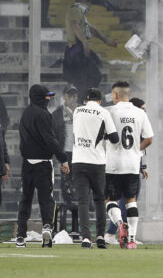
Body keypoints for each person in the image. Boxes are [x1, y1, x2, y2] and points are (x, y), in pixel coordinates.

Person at [16, 85, 69, 248]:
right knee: (46, 198)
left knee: (25, 198)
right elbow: (50, 139)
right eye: (47, 96)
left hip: (27, 163)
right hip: (43, 164)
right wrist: (63, 158)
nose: (49, 99)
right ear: (40, 97)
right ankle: (47, 226)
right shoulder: (44, 114)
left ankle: (20, 235)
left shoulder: (25, 114)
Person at [104, 81, 153, 249]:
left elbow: (104, 136)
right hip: (132, 164)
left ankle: (119, 225)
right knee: (131, 201)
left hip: (113, 164)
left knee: (111, 200)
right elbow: (149, 138)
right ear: (129, 94)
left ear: (115, 95)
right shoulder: (140, 113)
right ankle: (132, 239)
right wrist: (135, 150)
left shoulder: (109, 111)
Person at [71, 87, 119, 249]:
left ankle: (85, 238)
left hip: (78, 161)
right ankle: (100, 236)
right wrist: (104, 134)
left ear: (86, 99)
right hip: (97, 162)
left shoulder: (77, 111)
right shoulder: (103, 112)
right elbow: (114, 138)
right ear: (99, 100)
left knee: (83, 201)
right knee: (99, 200)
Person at [62, 0, 117, 101]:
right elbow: (75, 25)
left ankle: (83, 99)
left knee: (92, 76)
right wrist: (85, 43)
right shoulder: (76, 10)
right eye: (89, 4)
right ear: (85, 2)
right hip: (76, 50)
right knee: (88, 77)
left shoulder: (81, 14)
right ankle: (81, 99)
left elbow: (90, 28)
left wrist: (106, 40)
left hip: (78, 49)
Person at [52, 85, 79, 237]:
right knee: (65, 179)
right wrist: (57, 152)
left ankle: (82, 205)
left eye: (75, 96)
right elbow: (53, 133)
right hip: (65, 152)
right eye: (70, 96)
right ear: (64, 97)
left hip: (81, 152)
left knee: (79, 179)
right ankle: (68, 203)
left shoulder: (82, 110)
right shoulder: (58, 113)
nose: (73, 98)